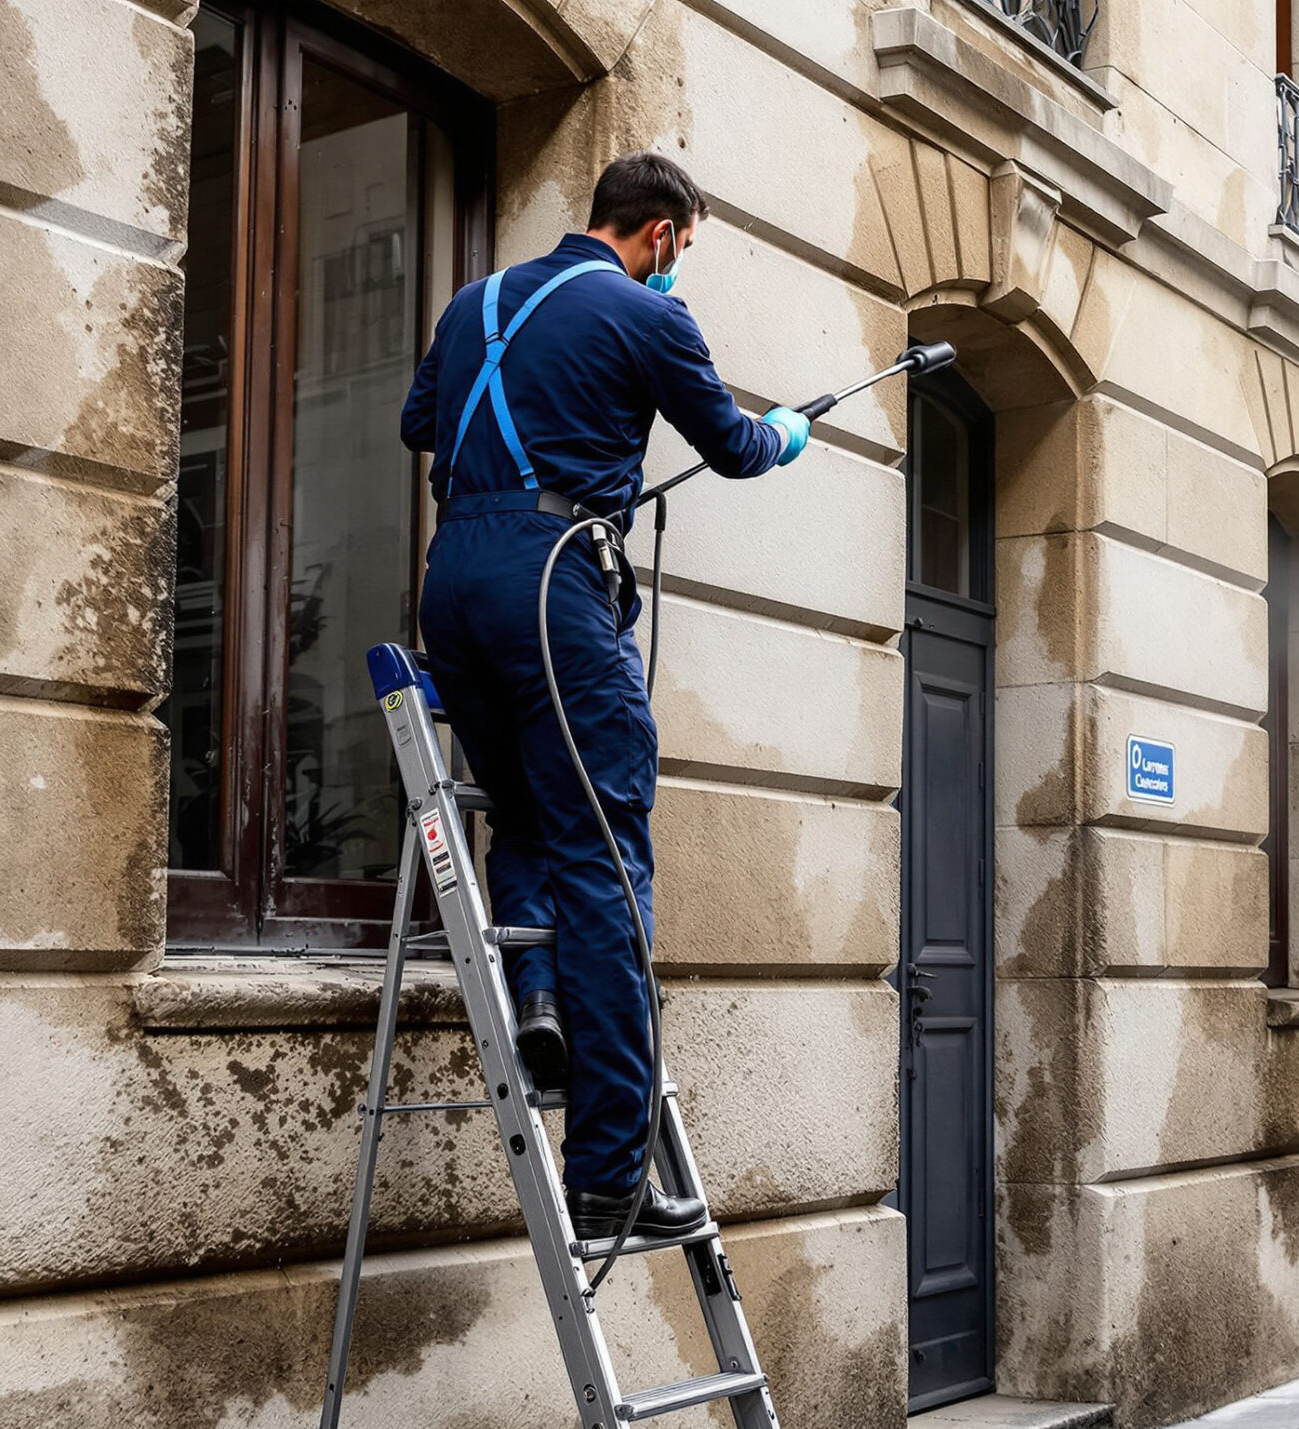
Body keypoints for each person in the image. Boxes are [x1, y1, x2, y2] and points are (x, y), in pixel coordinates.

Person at [399, 151, 808, 1241]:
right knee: (610, 858)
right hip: (552, 580)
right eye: (684, 248)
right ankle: (609, 1176)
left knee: (529, 809)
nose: (678, 265)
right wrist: (789, 437)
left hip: (455, 583)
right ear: (663, 234)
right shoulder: (646, 315)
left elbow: (418, 426)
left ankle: (537, 1004)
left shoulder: (472, 302)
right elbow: (732, 445)